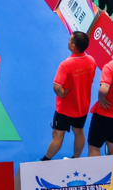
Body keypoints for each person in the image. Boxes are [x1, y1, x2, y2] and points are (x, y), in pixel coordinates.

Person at [40, 31, 96, 161]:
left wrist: (62, 93)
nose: (68, 41)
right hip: (82, 107)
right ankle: (75, 159)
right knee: (79, 131)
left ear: (73, 46)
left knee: (57, 135)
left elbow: (57, 86)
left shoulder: (66, 65)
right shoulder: (91, 61)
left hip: (65, 109)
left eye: (70, 40)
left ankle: (45, 160)